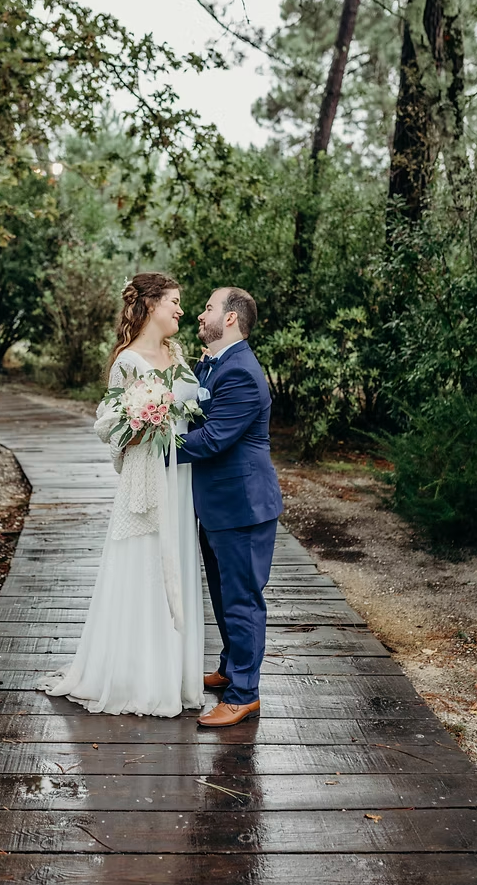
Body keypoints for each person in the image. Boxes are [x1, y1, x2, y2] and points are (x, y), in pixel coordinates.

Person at [37, 273, 204, 717]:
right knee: (143, 564)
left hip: (181, 479)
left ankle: (176, 673)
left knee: (178, 561)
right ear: (150, 305)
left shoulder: (178, 353)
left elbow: (193, 408)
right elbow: (108, 427)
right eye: (174, 302)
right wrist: (140, 420)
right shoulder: (127, 362)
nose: (180, 310)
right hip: (148, 477)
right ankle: (138, 677)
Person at [177, 287, 284, 728]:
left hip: (243, 506)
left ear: (232, 319)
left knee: (242, 601)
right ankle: (229, 668)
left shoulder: (240, 372)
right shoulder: (214, 364)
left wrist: (155, 445)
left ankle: (244, 694)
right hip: (220, 505)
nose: (200, 315)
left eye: (207, 308)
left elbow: (215, 437)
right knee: (223, 596)